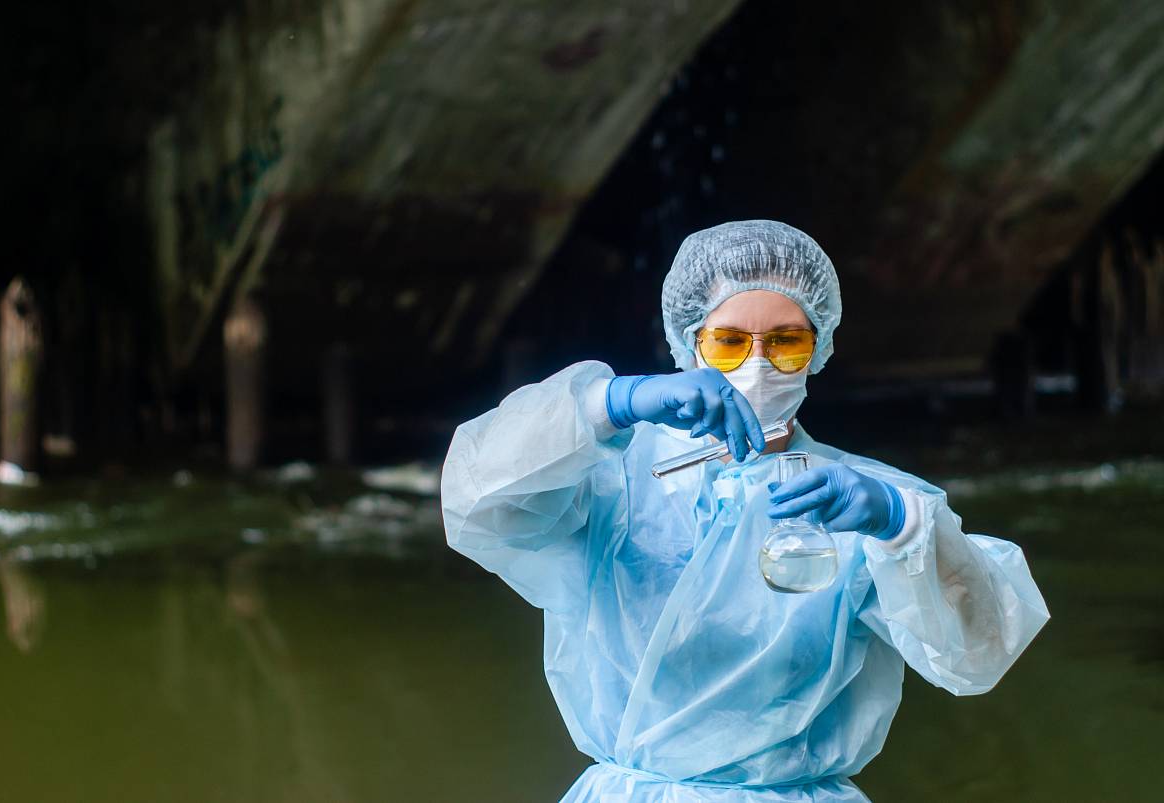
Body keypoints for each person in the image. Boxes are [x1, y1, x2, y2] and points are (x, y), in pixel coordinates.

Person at [441, 220, 1050, 802]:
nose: (758, 363)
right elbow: (476, 499)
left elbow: (981, 653)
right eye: (729, 342)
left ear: (819, 348)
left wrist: (903, 527)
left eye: (787, 341)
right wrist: (612, 403)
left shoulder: (866, 501)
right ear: (690, 344)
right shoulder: (611, 478)